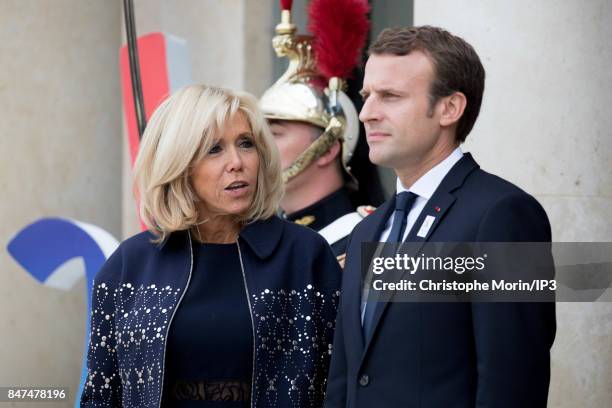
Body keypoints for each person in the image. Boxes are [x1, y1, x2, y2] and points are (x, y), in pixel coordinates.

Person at [325, 26, 556, 407]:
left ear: (449, 108)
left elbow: (513, 383)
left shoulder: (504, 216)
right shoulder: (367, 228)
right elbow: (346, 380)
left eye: (390, 97)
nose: (366, 114)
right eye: (367, 96)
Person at [80, 85, 342, 408]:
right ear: (179, 164)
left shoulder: (305, 255)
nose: (237, 162)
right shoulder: (129, 264)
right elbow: (100, 395)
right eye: (214, 149)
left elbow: (340, 386)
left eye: (246, 144)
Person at [259, 0, 380, 263]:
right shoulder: (259, 239)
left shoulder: (367, 241)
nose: (259, 147)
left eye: (275, 133)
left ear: (328, 148)